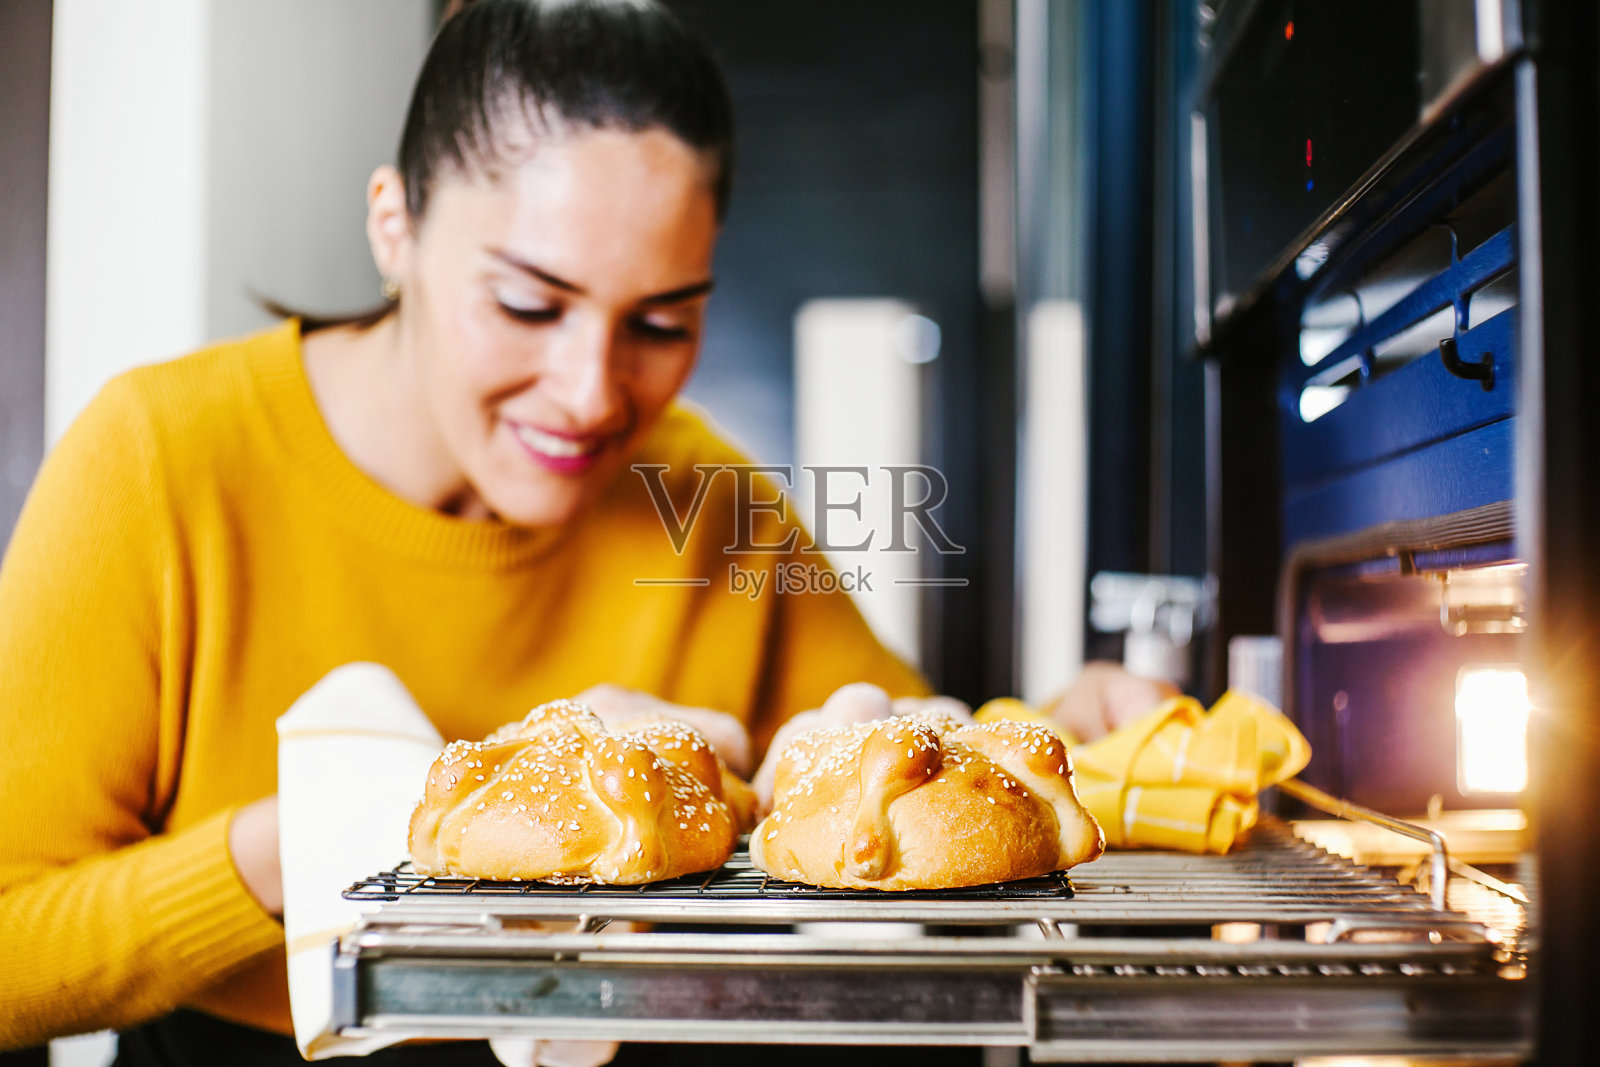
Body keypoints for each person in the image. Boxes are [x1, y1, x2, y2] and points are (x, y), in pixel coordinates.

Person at [0, 1, 1172, 1062]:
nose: (589, 392)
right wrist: (304, 836)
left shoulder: (709, 497)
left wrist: (1054, 730)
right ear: (394, 224)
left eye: (660, 323)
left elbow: (893, 769)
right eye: (526, 303)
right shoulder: (160, 457)